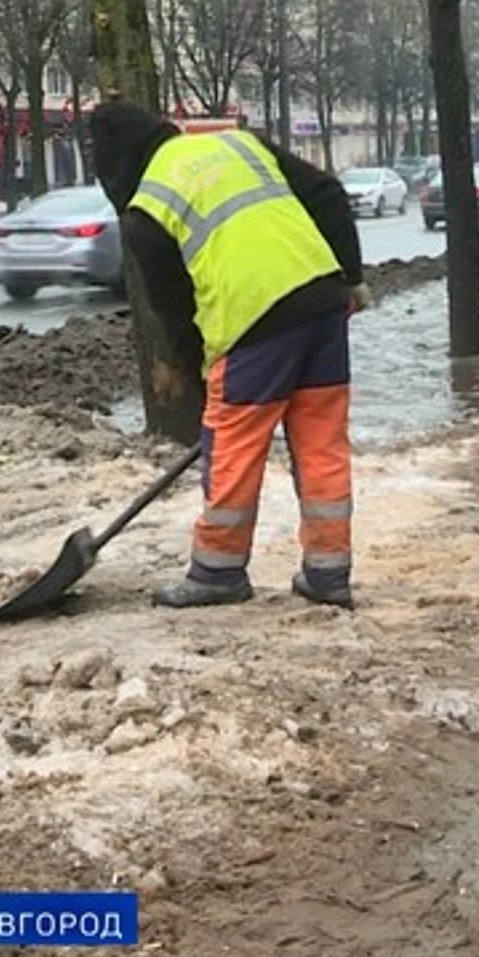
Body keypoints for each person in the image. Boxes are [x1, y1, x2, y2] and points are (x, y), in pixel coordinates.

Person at [91, 99, 372, 610]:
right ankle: (328, 574)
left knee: (232, 444)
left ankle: (218, 572)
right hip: (323, 302)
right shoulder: (240, 143)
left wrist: (203, 386)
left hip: (253, 323)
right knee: (321, 444)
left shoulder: (146, 210)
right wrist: (350, 279)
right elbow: (328, 192)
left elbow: (174, 315)